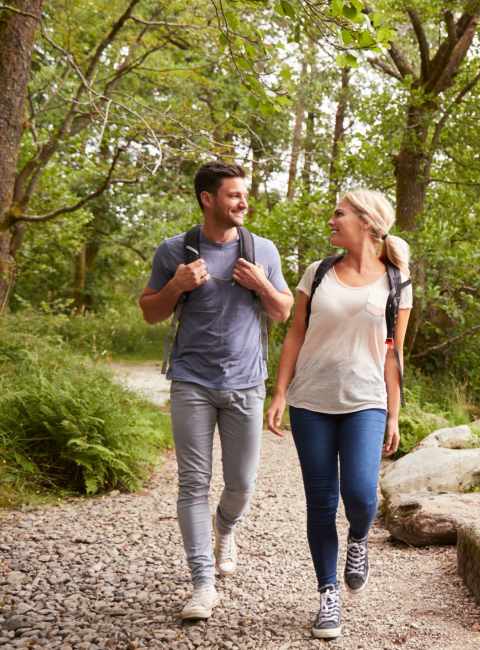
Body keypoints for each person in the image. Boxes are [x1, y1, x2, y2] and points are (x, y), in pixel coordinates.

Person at [139, 161, 293, 620]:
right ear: (208, 199)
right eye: (234, 195)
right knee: (192, 483)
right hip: (191, 381)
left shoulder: (261, 249)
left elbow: (283, 311)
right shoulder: (175, 250)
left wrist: (262, 283)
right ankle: (202, 584)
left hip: (246, 383)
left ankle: (226, 527)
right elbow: (150, 312)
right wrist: (176, 285)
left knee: (241, 484)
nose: (244, 202)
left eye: (244, 194)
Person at [265, 188, 412, 639]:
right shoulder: (318, 272)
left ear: (366, 223)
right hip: (312, 401)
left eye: (338, 213)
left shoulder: (397, 280)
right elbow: (295, 334)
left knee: (362, 494)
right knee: (322, 502)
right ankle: (328, 595)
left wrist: (393, 413)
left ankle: (358, 540)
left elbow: (395, 354)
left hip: (366, 400)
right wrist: (281, 391)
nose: (331, 220)